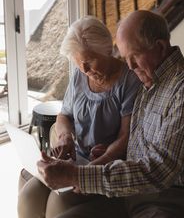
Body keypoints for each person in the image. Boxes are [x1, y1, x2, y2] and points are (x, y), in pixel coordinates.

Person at [38, 10, 184, 218]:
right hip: (136, 192)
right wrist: (107, 154)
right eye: (126, 59)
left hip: (174, 199)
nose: (130, 67)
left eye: (133, 57)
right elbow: (137, 143)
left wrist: (78, 176)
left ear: (160, 47)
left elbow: (160, 170)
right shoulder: (150, 82)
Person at [18, 15, 141, 218]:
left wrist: (98, 162)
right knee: (29, 196)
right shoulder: (79, 75)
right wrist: (66, 137)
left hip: (105, 167)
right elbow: (64, 115)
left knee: (57, 202)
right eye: (78, 63)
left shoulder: (129, 80)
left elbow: (125, 137)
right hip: (77, 160)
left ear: (108, 51)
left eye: (89, 62)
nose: (84, 69)